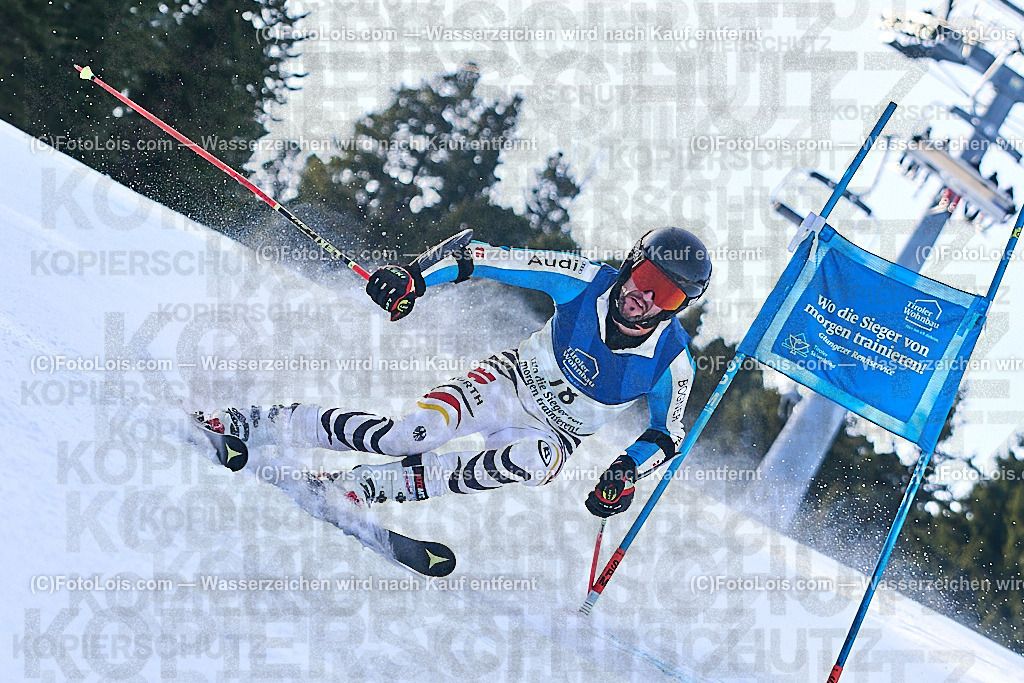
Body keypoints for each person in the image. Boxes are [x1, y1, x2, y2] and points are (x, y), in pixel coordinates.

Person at [195, 227, 712, 518]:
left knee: (536, 462)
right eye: (644, 277)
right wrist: (415, 278)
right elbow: (479, 258)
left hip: (554, 432)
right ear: (629, 265)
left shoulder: (672, 360)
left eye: (665, 294)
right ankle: (255, 422)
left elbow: (667, 434)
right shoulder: (583, 281)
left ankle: (365, 488)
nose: (643, 296)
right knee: (411, 434)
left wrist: (624, 473)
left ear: (677, 307)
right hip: (508, 383)